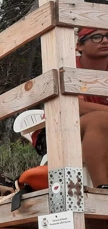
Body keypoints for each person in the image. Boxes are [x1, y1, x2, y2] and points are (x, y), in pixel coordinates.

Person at [33, 27, 108, 186]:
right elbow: (76, 106)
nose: (105, 41)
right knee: (100, 120)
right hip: (56, 131)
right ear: (79, 46)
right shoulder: (69, 65)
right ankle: (103, 190)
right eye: (96, 37)